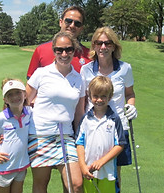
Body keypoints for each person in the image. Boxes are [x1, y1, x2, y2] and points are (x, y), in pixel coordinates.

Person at [26, 31, 85, 193]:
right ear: (54, 50)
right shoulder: (41, 73)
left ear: (74, 50)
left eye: (68, 49)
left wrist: (81, 139)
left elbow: (79, 114)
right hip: (40, 135)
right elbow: (23, 104)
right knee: (41, 184)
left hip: (66, 136)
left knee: (76, 185)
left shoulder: (79, 78)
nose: (64, 54)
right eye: (59, 50)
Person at [80, 27, 137, 190]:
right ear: (94, 46)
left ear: (113, 46)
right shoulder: (86, 69)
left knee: (114, 176)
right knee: (91, 172)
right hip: (92, 127)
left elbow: (130, 93)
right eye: (99, 43)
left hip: (118, 127)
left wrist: (131, 106)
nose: (103, 47)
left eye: (107, 43)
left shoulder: (125, 68)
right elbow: (83, 99)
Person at [76, 76, 126, 193]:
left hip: (108, 172)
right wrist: (83, 166)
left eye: (103, 96)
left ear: (110, 96)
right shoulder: (85, 119)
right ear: (90, 96)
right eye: (96, 96)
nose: (99, 100)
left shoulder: (114, 119)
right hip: (88, 171)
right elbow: (79, 144)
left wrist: (101, 161)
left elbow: (120, 145)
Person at [27, 6, 90, 80]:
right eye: (68, 21)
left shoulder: (89, 56)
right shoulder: (41, 50)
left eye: (77, 23)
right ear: (61, 22)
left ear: (81, 28)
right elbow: (30, 83)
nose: (72, 25)